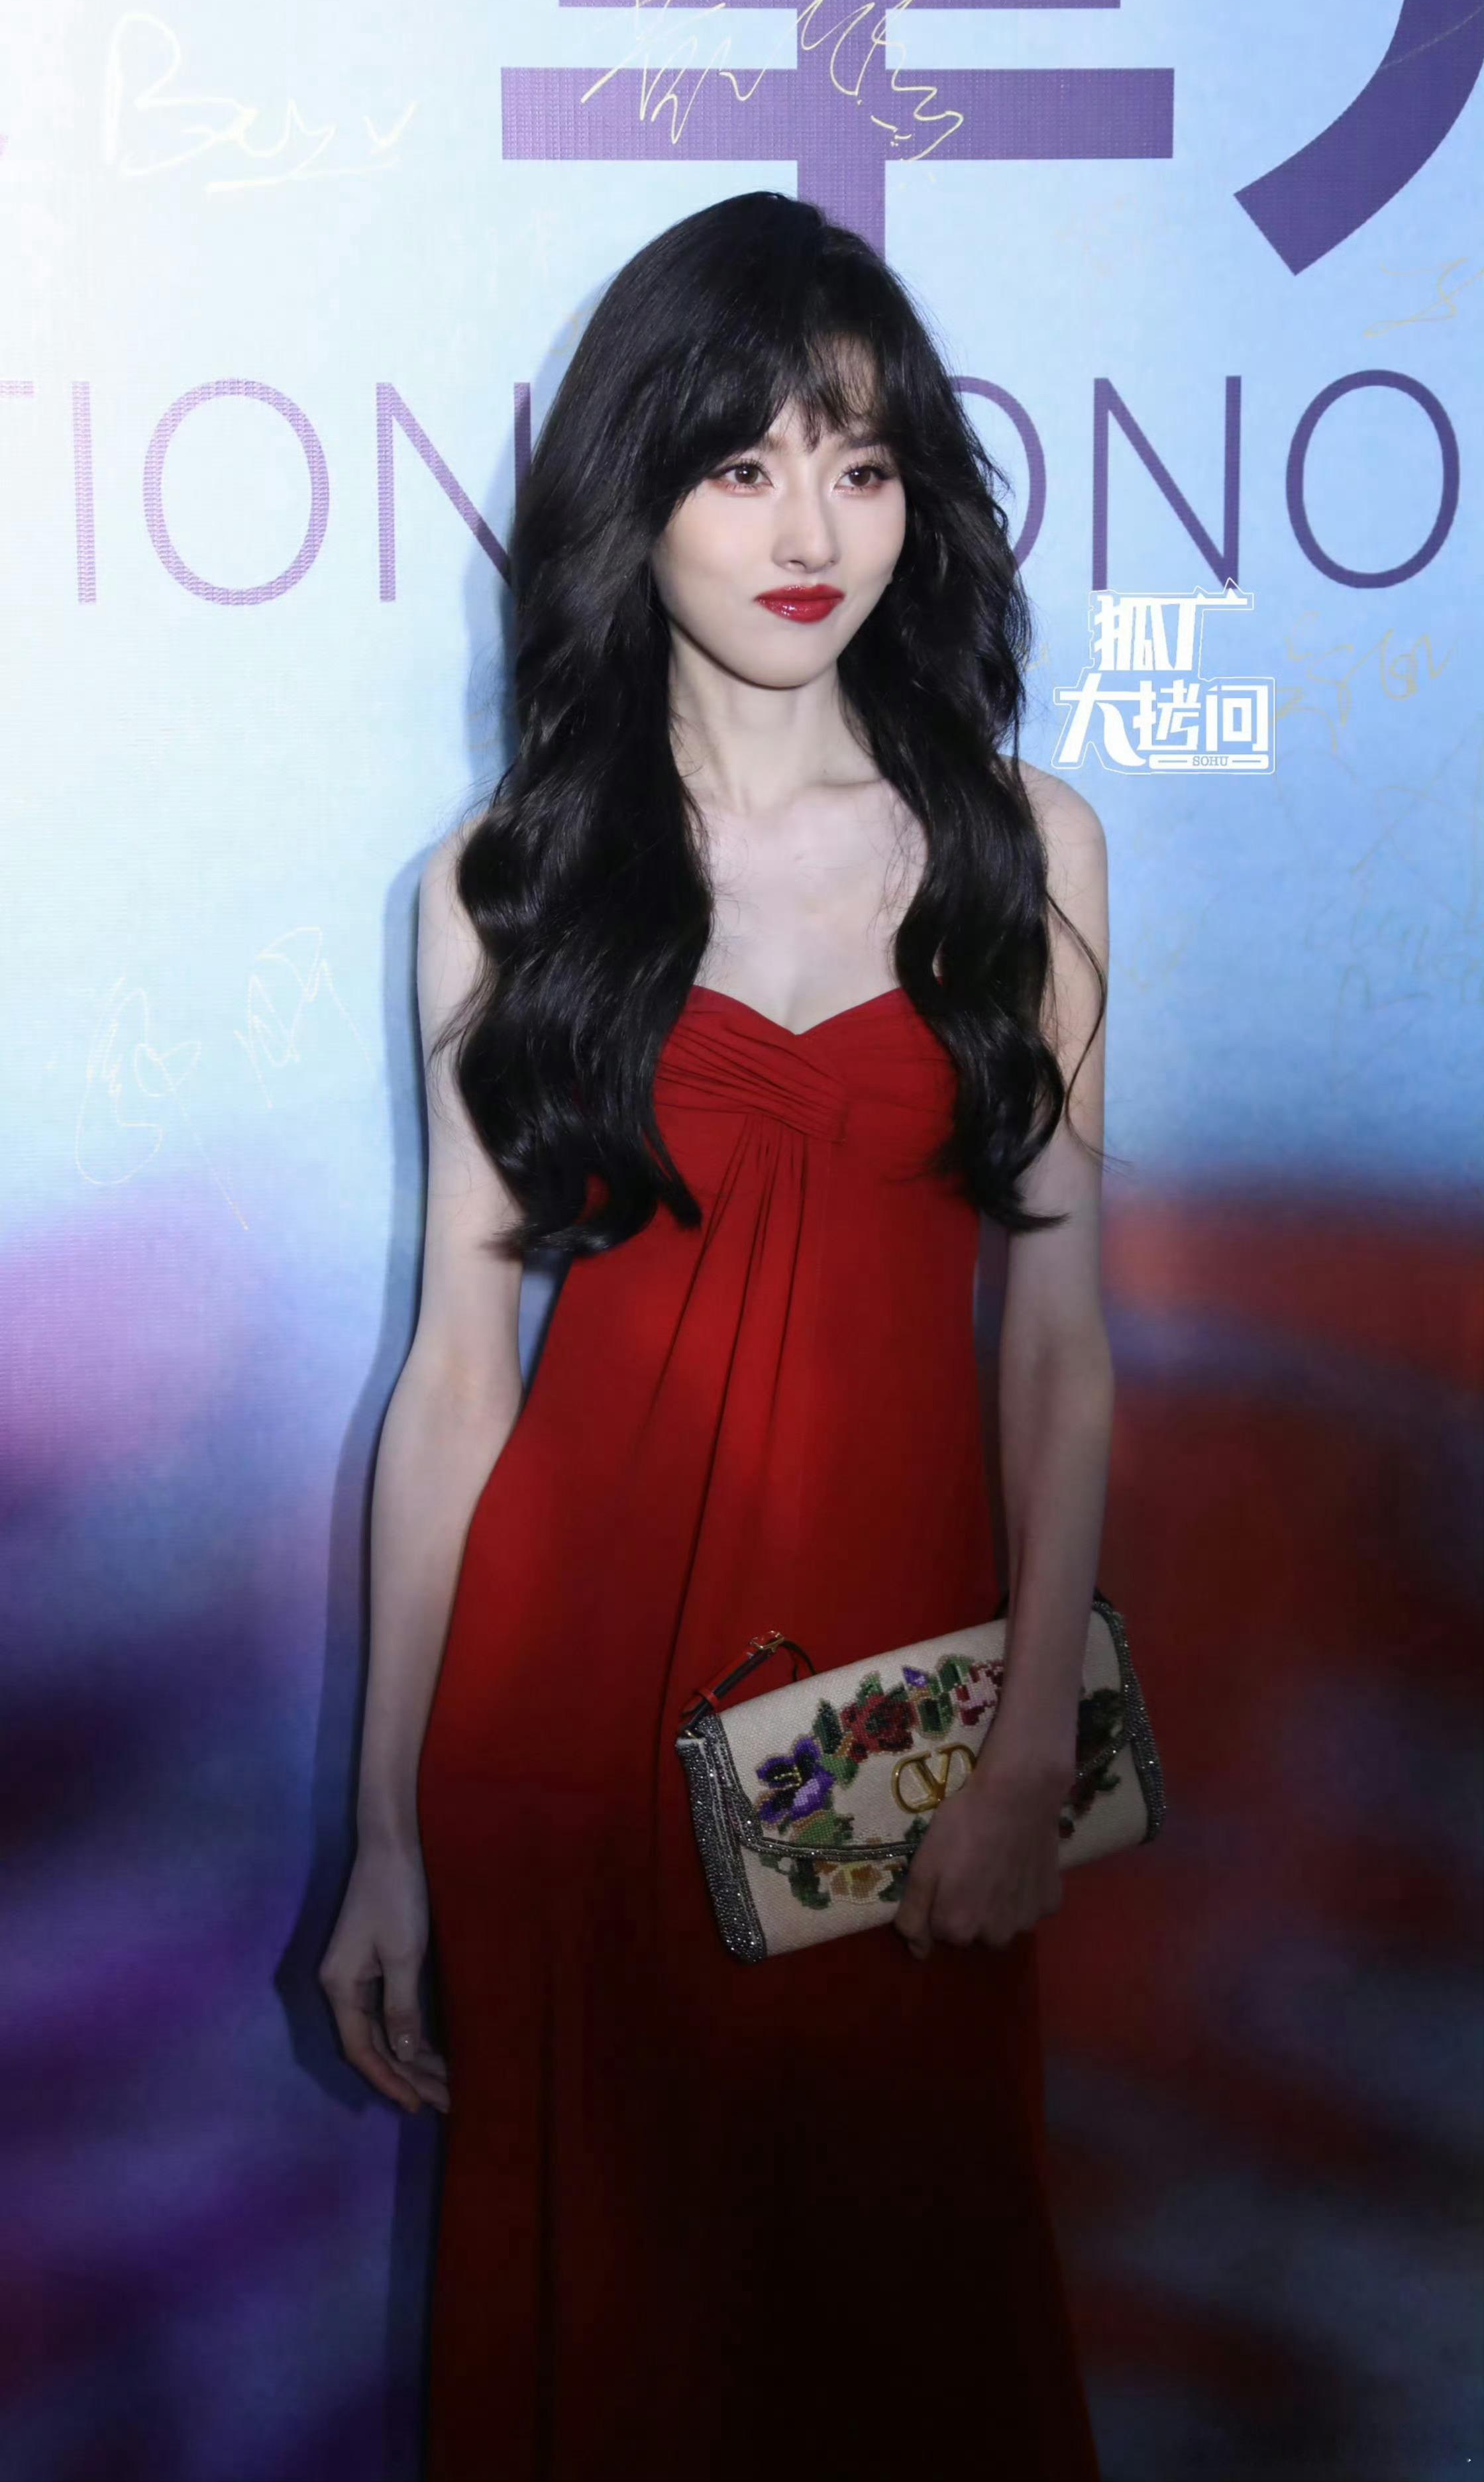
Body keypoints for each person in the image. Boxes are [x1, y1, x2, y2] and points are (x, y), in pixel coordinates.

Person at [320, 190, 1110, 2481]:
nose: (811, 532)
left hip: (892, 1745)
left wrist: (1030, 1746)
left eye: (861, 465)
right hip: (564, 1728)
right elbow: (456, 1380)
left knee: (909, 2340)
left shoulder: (1021, 849)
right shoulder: (502, 885)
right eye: (745, 465)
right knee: (618, 2359)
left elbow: (1060, 1344)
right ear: (636, 491)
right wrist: (385, 1830)